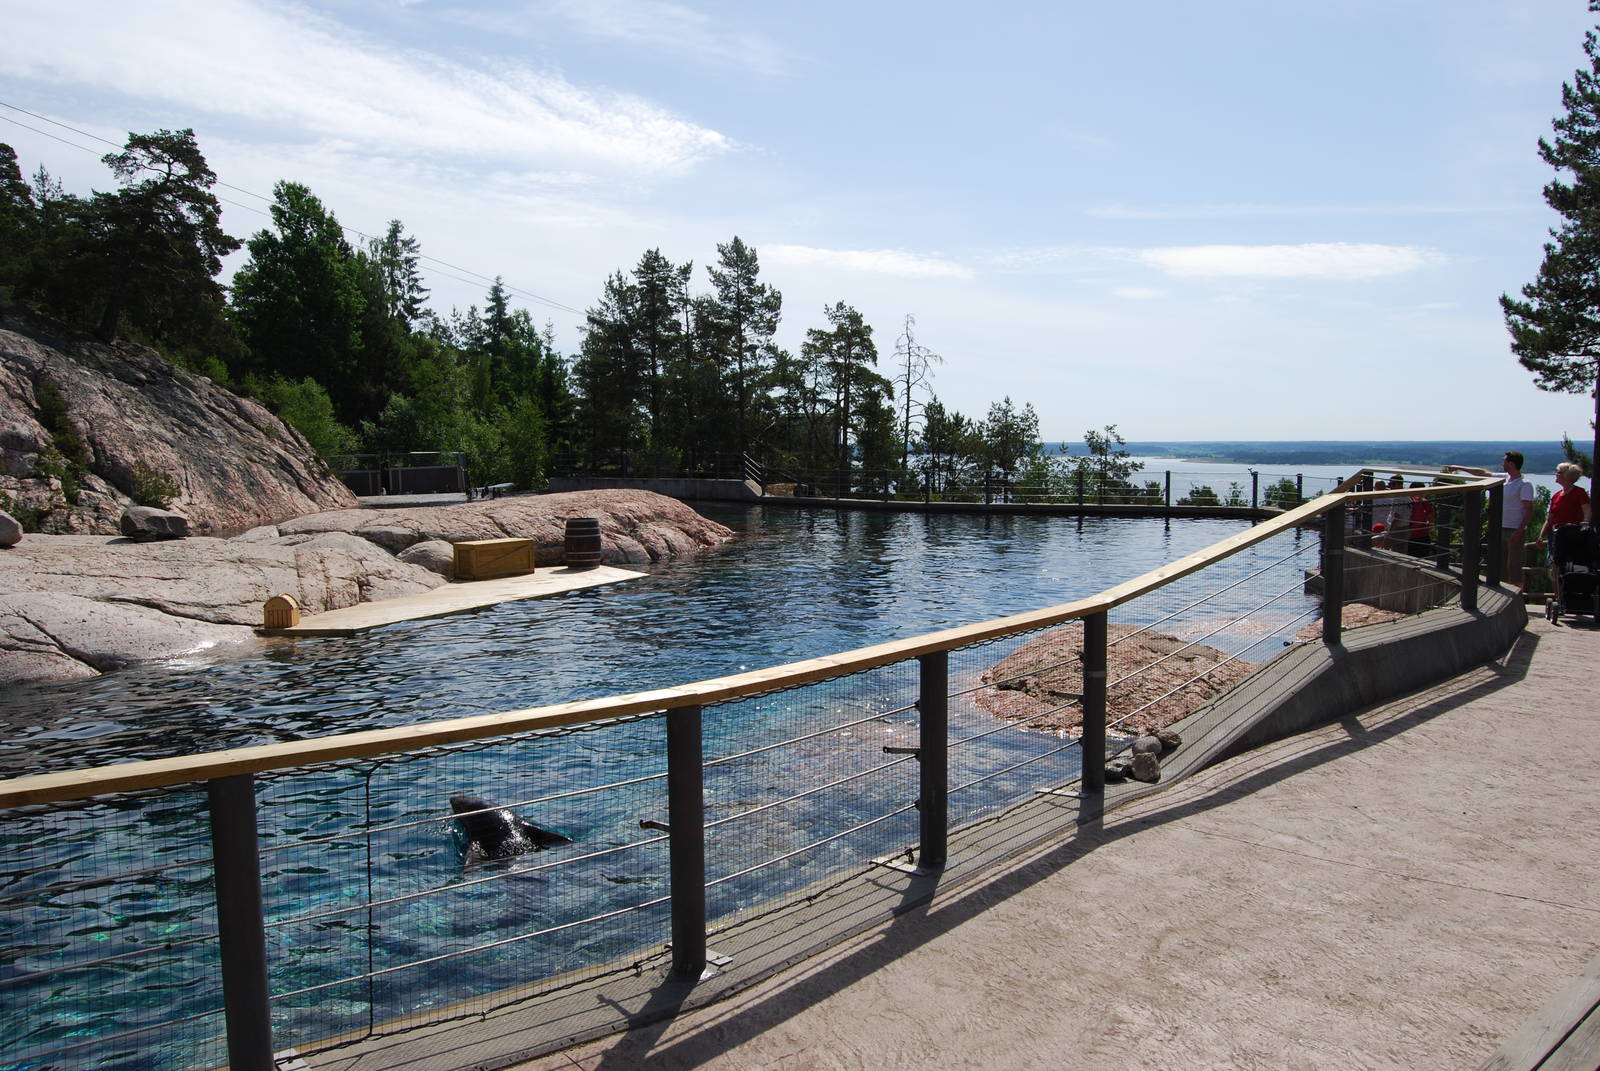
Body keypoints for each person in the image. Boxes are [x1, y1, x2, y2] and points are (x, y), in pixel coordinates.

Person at [1448, 451, 1536, 590]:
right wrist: (1460, 468)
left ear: (1511, 464)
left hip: (1514, 529)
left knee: (1514, 565)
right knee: (1499, 564)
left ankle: (1518, 597)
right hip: (1499, 527)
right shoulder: (1505, 478)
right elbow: (1483, 473)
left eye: (1504, 461)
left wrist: (1519, 531)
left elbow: (1529, 509)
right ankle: (1503, 593)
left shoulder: (1524, 484)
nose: (1502, 464)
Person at [1406, 482, 1435, 558]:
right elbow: (1431, 518)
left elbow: (1431, 517)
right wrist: (1429, 526)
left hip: (1411, 535)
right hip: (1421, 535)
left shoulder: (1408, 500)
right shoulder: (1423, 501)